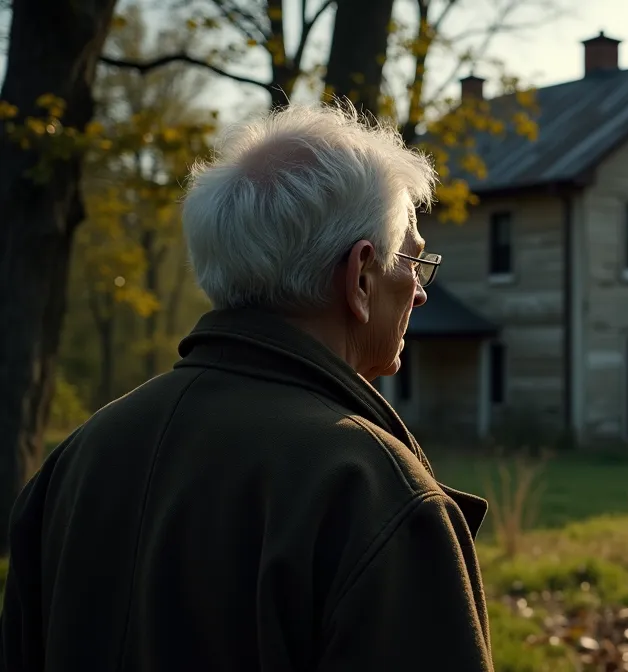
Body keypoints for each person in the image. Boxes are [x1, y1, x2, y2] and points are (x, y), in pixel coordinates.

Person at [0, 103, 494, 671]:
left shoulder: (78, 458)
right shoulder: (369, 489)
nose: (420, 290)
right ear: (360, 277)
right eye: (411, 258)